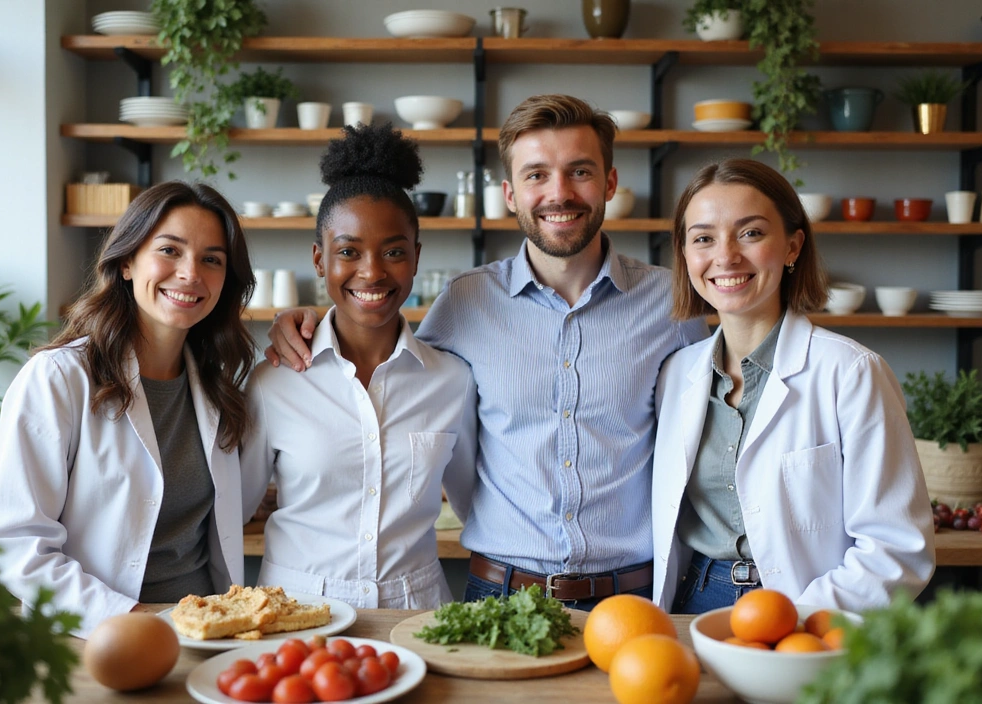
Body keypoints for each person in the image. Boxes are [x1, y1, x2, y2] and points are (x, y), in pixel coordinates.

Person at [267, 95, 707, 609]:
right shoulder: (465, 301)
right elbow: (389, 365)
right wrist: (308, 325)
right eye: (536, 175)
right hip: (498, 595)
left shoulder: (672, 302)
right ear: (510, 195)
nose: (559, 193)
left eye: (580, 171)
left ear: (610, 182)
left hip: (632, 597)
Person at [651, 158, 935, 615]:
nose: (726, 256)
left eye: (750, 233)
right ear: (685, 256)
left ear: (792, 246)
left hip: (809, 608)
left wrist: (798, 622)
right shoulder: (675, 374)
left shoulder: (852, 372)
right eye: (703, 238)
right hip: (694, 602)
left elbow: (897, 549)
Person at [0, 181, 257, 635]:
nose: (190, 273)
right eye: (169, 250)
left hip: (208, 631)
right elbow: (16, 544)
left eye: (212, 259)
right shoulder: (58, 378)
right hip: (95, 634)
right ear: (127, 262)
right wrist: (135, 621)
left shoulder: (217, 386)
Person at [240, 122, 477, 609]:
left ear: (416, 258)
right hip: (297, 615)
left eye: (394, 252)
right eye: (348, 251)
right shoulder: (273, 382)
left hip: (415, 617)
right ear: (319, 260)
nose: (372, 271)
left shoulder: (453, 382)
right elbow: (233, 511)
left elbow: (476, 507)